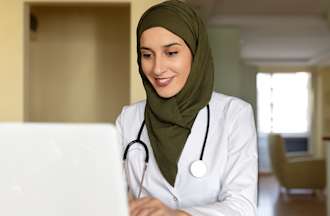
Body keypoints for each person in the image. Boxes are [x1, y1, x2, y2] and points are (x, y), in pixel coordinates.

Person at [116, 1, 258, 215]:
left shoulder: (234, 114)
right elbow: (107, 192)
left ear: (196, 53)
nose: (157, 68)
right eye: (147, 55)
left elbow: (243, 207)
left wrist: (176, 214)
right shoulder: (129, 119)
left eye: (171, 52)